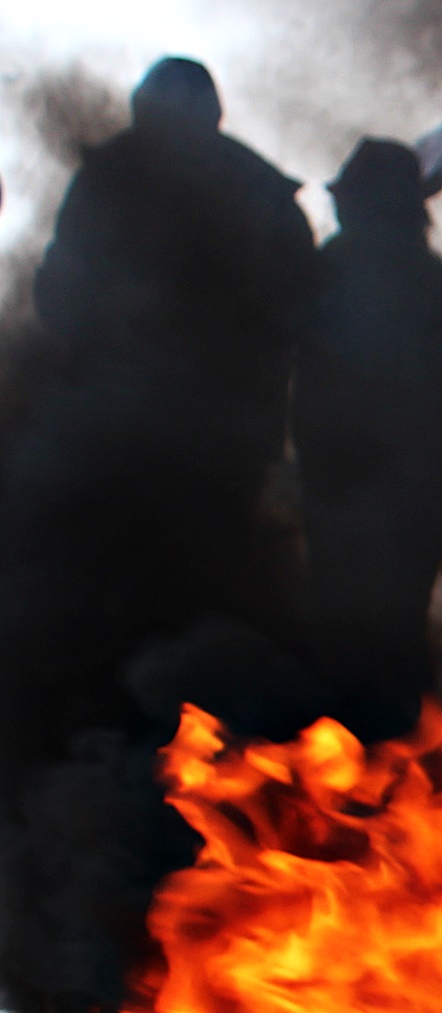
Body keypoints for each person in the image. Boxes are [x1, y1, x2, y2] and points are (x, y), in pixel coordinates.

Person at [6, 56, 318, 759]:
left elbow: (61, 291)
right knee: (160, 574)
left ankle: (181, 738)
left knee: (172, 574)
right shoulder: (241, 185)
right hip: (149, 426)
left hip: (187, 428)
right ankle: (153, 733)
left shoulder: (130, 179)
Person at [294, 138, 442, 744]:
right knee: (398, 624)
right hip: (411, 467)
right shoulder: (429, 270)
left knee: (344, 621)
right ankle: (402, 751)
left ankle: (358, 749)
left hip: (347, 466)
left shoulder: (331, 266)